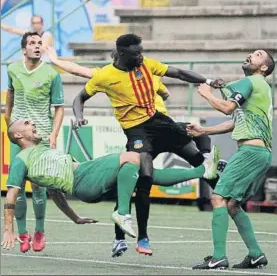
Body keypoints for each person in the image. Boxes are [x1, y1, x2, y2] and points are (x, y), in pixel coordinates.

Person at [46, 34, 223, 255]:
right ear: (121, 54)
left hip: (161, 123)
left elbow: (177, 74)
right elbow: (79, 98)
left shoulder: (147, 65)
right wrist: (79, 116)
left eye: (141, 51)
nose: (140, 55)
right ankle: (139, 237)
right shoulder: (105, 76)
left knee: (203, 160)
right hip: (137, 131)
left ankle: (230, 200)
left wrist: (206, 81)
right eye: (136, 52)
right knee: (144, 179)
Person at [1, 119, 220, 250]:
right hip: (83, 179)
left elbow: (54, 193)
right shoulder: (21, 160)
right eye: (27, 123)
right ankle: (123, 212)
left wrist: (75, 217)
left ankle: (204, 170)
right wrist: (9, 229)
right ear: (18, 135)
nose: (33, 123)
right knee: (134, 157)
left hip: (85, 178)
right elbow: (11, 196)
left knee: (145, 172)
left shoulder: (42, 151)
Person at [187, 50, 275, 270]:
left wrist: (207, 93)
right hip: (261, 154)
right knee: (233, 205)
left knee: (218, 199)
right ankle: (256, 255)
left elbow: (227, 108)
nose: (249, 55)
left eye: (257, 55)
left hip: (250, 153)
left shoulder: (250, 82)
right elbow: (234, 121)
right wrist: (204, 130)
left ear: (264, 67)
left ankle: (218, 258)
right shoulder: (260, 89)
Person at [4, 32, 64, 253]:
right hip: (19, 137)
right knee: (16, 186)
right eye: (32, 43)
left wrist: (54, 134)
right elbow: (10, 95)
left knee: (38, 184)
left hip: (40, 136)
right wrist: (8, 119)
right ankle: (22, 233)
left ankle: (39, 230)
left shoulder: (51, 74)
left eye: (40, 43)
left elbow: (59, 107)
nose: (37, 46)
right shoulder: (12, 69)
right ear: (23, 49)